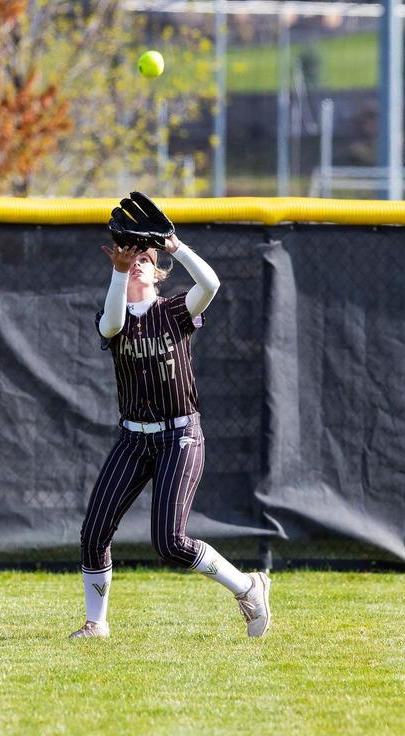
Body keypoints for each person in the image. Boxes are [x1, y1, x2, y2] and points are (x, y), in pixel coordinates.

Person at [70, 235, 271, 639]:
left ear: (159, 272)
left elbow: (211, 285)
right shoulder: (113, 313)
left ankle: (249, 587)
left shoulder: (175, 309)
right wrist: (118, 270)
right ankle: (97, 623)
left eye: (146, 258)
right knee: (94, 532)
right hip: (133, 438)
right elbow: (112, 324)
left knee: (169, 541)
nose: (138, 263)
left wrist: (175, 246)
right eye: (133, 258)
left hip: (180, 435)